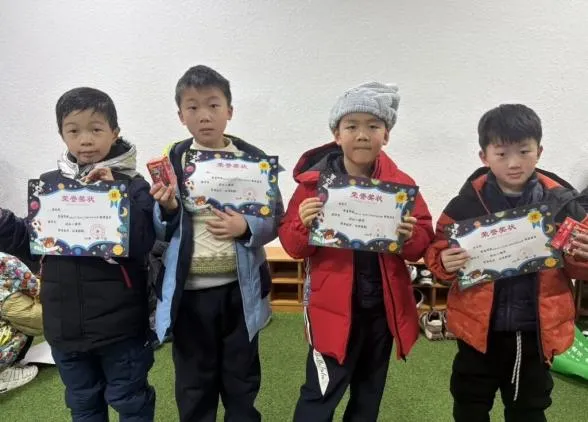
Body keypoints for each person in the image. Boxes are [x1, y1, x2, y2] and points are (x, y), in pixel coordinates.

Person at [278, 82, 434, 421]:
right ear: (337, 134)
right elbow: (292, 247)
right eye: (352, 126)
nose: (362, 135)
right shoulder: (312, 186)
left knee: (368, 396)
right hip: (331, 310)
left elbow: (422, 242)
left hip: (382, 311)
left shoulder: (401, 186)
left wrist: (409, 237)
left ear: (386, 135)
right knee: (320, 395)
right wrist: (303, 224)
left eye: (373, 126)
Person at [425, 104, 588, 422]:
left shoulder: (562, 204)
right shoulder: (465, 204)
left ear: (539, 151)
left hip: (535, 330)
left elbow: (579, 267)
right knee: (470, 403)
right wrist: (443, 260)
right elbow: (438, 250)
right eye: (501, 154)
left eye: (524, 151)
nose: (514, 163)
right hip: (477, 330)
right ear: (484, 156)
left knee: (529, 407)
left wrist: (582, 256)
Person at [0, 87, 156, 421]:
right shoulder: (50, 187)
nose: (85, 139)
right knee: (83, 403)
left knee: (130, 399)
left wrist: (114, 195)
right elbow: (31, 243)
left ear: (114, 132)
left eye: (96, 129)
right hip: (64, 326)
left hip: (120, 326)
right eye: (73, 130)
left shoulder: (132, 184)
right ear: (62, 134)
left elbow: (145, 241)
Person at [150, 65, 283, 422]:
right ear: (181, 116)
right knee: (194, 381)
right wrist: (167, 209)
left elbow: (275, 218)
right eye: (192, 107)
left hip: (241, 290)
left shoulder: (253, 161)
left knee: (242, 378)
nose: (204, 115)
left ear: (230, 111)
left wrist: (246, 226)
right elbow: (158, 229)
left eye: (213, 104)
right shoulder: (172, 162)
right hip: (189, 293)